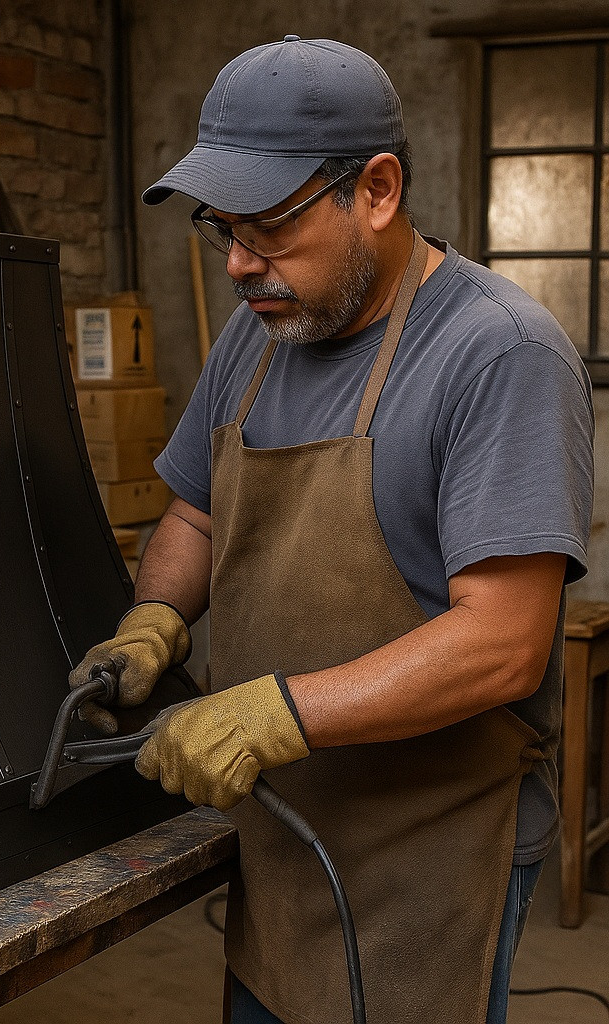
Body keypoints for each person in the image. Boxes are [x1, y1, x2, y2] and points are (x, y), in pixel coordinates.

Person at [68, 35, 594, 1024]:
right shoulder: (258, 332)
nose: (239, 264)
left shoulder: (499, 353)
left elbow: (504, 642)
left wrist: (270, 717)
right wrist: (154, 620)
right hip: (279, 829)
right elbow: (195, 509)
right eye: (223, 230)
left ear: (378, 190)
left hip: (428, 855)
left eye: (268, 226)